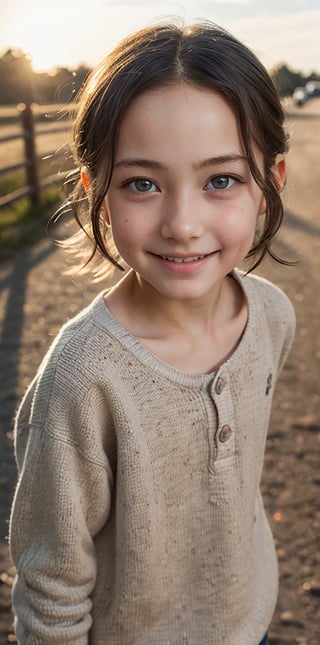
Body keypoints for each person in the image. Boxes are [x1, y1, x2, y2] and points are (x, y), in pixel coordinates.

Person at [9, 20, 295, 645]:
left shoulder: (273, 317)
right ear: (97, 194)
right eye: (142, 183)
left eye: (221, 179)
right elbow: (51, 594)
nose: (183, 224)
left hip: (250, 623)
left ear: (270, 184)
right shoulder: (80, 382)